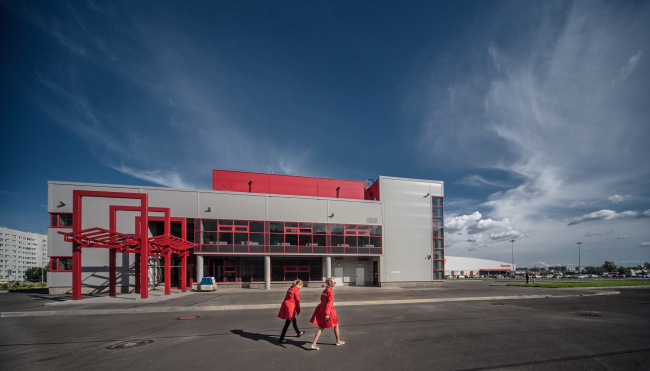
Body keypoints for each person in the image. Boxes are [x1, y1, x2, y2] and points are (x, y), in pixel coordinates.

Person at [309, 277, 344, 350]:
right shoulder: (330, 292)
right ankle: (337, 341)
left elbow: (322, 300)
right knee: (332, 324)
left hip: (322, 309)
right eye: (334, 282)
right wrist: (327, 314)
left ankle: (315, 343)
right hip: (329, 310)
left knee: (323, 326)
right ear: (330, 283)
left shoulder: (325, 290)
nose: (335, 284)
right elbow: (329, 303)